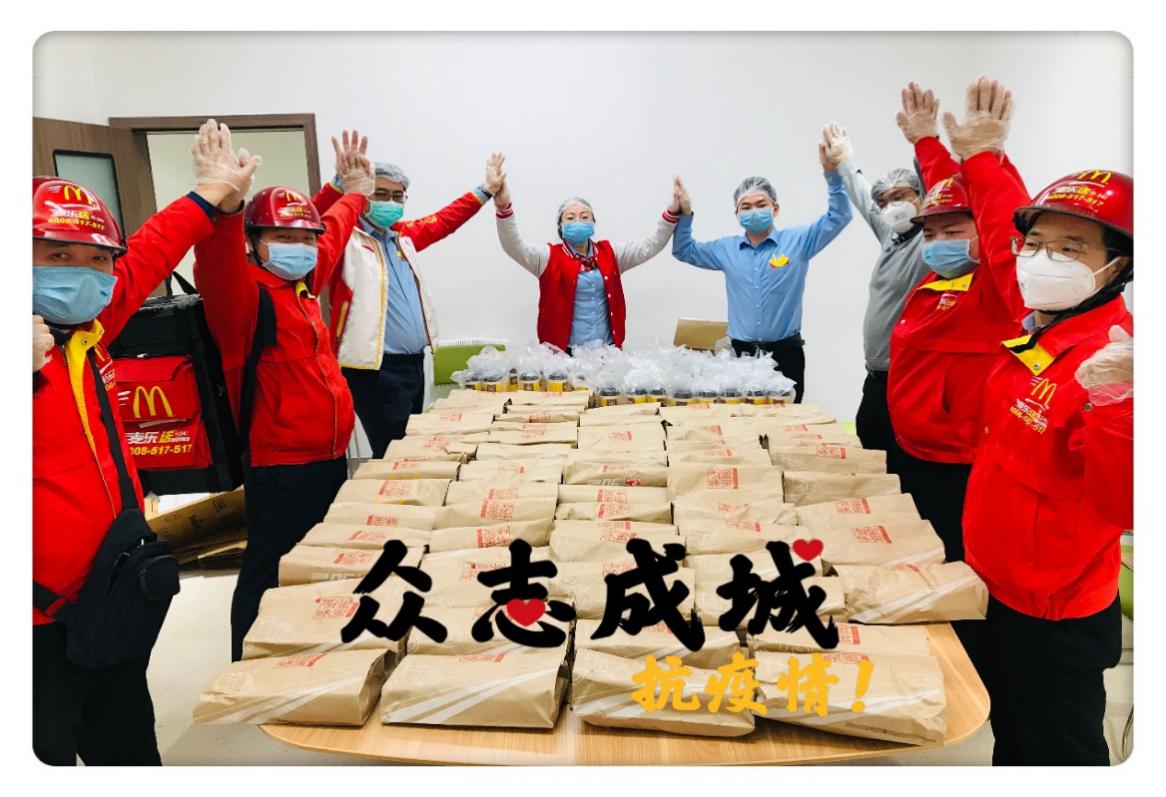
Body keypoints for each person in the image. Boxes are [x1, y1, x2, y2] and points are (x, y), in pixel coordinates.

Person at [32, 121, 255, 764]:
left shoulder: (89, 328)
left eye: (97, 259)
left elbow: (154, 249)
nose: (85, 274)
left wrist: (210, 191)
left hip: (109, 597)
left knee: (128, 746)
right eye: (56, 257)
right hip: (34, 624)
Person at [951, 84, 1133, 763]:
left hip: (1055, 611)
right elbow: (1007, 251)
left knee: (1055, 750)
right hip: (997, 583)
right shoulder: (1042, 324)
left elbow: (1125, 504)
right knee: (1012, 736)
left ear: (1116, 266)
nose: (1041, 259)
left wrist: (1121, 406)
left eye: (1071, 248)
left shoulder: (1115, 362)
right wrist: (984, 159)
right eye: (1037, 243)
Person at [191, 123, 372, 661]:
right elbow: (216, 258)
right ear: (252, 243)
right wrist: (226, 205)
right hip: (280, 462)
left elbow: (331, 230)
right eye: (283, 239)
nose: (301, 248)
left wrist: (351, 192)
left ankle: (303, 651)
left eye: (305, 239)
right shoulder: (243, 298)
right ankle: (250, 665)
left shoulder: (301, 286)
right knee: (270, 565)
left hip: (327, 455)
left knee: (314, 560)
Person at [885, 80, 1030, 571]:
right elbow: (951, 198)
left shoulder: (997, 288)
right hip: (917, 450)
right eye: (929, 234)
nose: (938, 242)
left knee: (952, 561)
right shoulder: (944, 277)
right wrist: (926, 143)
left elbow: (1003, 221)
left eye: (953, 232)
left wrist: (985, 159)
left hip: (957, 462)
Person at [313, 136, 503, 457]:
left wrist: (485, 190)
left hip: (413, 363)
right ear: (363, 195)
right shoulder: (345, 237)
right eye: (380, 194)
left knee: (409, 445)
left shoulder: (402, 236)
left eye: (397, 195)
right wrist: (339, 185)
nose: (390, 201)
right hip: (374, 368)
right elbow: (314, 221)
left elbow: (444, 221)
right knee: (394, 450)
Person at [671, 138, 853, 402]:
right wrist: (685, 213)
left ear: (775, 209)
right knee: (743, 418)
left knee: (787, 419)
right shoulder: (726, 249)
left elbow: (839, 216)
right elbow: (684, 250)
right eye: (746, 207)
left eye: (761, 204)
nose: (754, 211)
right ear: (737, 213)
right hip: (741, 355)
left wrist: (832, 176)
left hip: (786, 354)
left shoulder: (799, 242)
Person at [819, 121, 930, 456]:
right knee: (868, 445)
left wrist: (925, 140)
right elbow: (864, 198)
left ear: (922, 196)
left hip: (909, 378)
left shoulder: (931, 241)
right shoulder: (892, 236)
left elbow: (936, 180)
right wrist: (844, 161)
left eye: (900, 196)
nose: (892, 206)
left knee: (903, 462)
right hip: (877, 377)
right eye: (885, 201)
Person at [492, 159, 681, 351]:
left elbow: (650, 245)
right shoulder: (547, 257)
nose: (578, 222)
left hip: (607, 353)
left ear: (593, 223)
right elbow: (513, 245)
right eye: (570, 218)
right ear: (560, 226)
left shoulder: (611, 254)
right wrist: (504, 208)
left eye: (584, 217)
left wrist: (672, 212)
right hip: (563, 357)